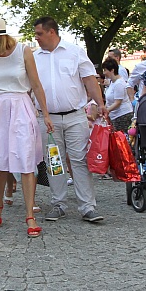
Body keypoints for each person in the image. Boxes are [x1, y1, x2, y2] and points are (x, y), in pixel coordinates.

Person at [0, 18, 53, 237]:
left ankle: (29, 215)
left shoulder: (24, 51)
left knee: (25, 161)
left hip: (21, 106)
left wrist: (46, 113)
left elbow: (36, 85)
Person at [33, 16, 107, 224]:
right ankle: (59, 204)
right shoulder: (34, 57)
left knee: (80, 161)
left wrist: (100, 104)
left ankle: (88, 206)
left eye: (39, 33)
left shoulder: (74, 52)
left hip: (75, 116)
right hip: (47, 119)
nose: (36, 38)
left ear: (52, 32)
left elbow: (89, 80)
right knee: (54, 161)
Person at [102, 57, 133, 132]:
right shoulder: (112, 82)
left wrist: (106, 110)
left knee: (122, 139)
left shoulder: (119, 83)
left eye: (105, 70)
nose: (104, 73)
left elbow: (118, 102)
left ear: (112, 70)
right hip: (115, 116)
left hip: (122, 115)